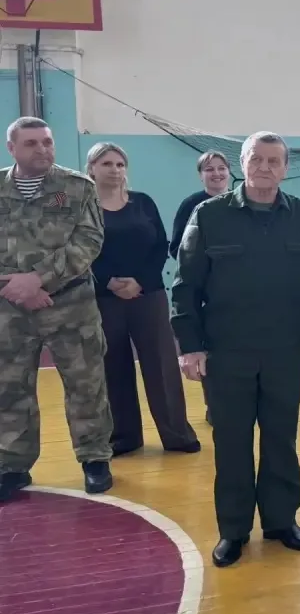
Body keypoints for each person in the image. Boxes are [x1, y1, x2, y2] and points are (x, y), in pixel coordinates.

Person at [170, 131, 300, 567]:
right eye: (256, 159)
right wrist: (190, 346)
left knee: (281, 438)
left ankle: (281, 522)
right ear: (242, 164)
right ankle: (233, 530)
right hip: (227, 351)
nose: (264, 167)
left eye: (273, 160)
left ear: (286, 167)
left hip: (284, 350)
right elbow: (186, 285)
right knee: (232, 443)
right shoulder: (210, 215)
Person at [0, 117, 114, 503]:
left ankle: (94, 458)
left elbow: (89, 240)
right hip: (9, 308)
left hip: (71, 305)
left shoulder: (77, 188)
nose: (42, 149)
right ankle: (12, 465)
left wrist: (38, 280)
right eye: (31, 143)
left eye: (47, 142)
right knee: (9, 388)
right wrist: (16, 287)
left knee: (86, 384)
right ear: (11, 148)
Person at [85, 142, 200, 457]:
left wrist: (140, 281)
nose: (115, 170)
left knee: (162, 364)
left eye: (120, 164)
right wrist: (109, 281)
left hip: (148, 294)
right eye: (107, 164)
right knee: (113, 365)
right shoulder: (83, 207)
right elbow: (82, 250)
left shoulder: (143, 202)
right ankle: (124, 436)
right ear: (91, 168)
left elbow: (159, 246)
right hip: (104, 298)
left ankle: (177, 434)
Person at [171, 151, 231, 426]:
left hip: (238, 291)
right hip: (206, 293)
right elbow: (177, 247)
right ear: (200, 175)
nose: (216, 173)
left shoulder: (242, 202)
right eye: (209, 169)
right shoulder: (191, 206)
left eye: (221, 168)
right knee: (211, 351)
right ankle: (215, 405)